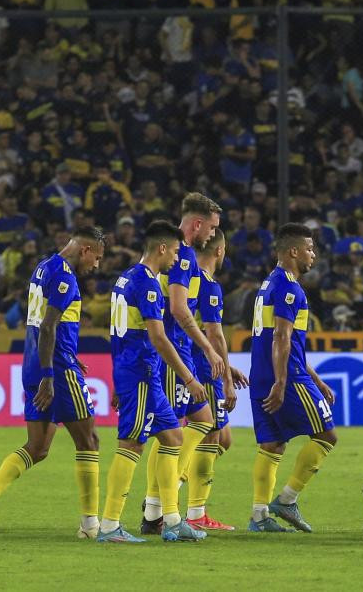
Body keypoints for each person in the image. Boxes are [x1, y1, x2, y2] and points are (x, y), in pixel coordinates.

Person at [0, 227, 107, 538]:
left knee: (38, 448)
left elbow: (43, 324)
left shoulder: (44, 267)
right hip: (56, 370)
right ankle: (92, 526)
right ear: (85, 250)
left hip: (32, 364)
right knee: (89, 441)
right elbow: (50, 326)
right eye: (97, 257)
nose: (97, 265)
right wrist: (51, 375)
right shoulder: (66, 276)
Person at [96, 221, 207, 543]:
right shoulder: (146, 283)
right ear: (161, 248)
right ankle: (109, 525)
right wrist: (188, 378)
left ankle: (172, 520)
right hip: (142, 372)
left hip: (139, 372)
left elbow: (117, 334)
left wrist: (118, 377)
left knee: (173, 437)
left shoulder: (124, 278)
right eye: (174, 251)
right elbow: (158, 337)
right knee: (132, 443)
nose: (176, 258)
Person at [140, 194, 226, 535]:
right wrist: (209, 348)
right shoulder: (182, 256)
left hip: (171, 350)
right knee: (181, 430)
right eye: (212, 227)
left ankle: (154, 509)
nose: (213, 235)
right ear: (197, 224)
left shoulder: (165, 251)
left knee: (190, 425)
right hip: (174, 350)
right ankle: (163, 506)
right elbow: (179, 309)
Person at [248, 223, 337, 533]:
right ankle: (287, 499)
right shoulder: (289, 287)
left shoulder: (269, 284)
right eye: (310, 249)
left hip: (260, 374)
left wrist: (319, 379)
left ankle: (259, 516)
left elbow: (287, 342)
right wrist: (283, 381)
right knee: (327, 436)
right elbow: (282, 339)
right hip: (286, 377)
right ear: (294, 251)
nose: (313, 255)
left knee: (271, 445)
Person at [182, 231, 247, 531]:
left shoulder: (184, 279)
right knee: (210, 435)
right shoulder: (208, 285)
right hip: (204, 371)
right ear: (220, 251)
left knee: (224, 439)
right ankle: (187, 504)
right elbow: (215, 334)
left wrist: (228, 367)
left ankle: (177, 491)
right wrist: (226, 382)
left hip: (191, 364)